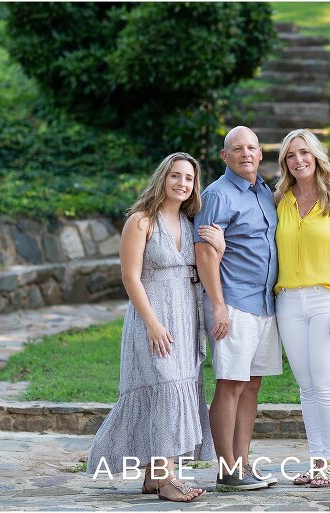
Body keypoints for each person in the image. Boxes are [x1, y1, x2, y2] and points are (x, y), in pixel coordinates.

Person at [87, 152, 226, 502]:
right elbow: (129, 276)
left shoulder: (192, 222)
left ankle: (153, 476)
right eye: (176, 176)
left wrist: (219, 251)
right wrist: (151, 323)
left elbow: (203, 270)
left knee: (177, 389)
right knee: (164, 388)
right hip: (153, 319)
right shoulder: (141, 221)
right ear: (163, 178)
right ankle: (167, 480)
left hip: (186, 319)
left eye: (189, 178)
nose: (182, 183)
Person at [194, 126, 282, 491]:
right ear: (224, 156)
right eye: (237, 148)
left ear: (261, 154)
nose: (246, 154)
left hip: (264, 303)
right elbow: (203, 251)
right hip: (232, 302)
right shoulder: (216, 194)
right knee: (230, 384)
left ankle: (243, 464)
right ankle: (226, 469)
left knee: (252, 384)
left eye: (251, 148)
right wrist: (218, 306)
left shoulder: (264, 192)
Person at [272, 129, 330, 488]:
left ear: (317, 156)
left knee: (324, 384)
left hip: (328, 299)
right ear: (285, 163)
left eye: (304, 153)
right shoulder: (280, 198)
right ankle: (316, 461)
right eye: (291, 156)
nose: (299, 160)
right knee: (306, 387)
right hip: (288, 301)